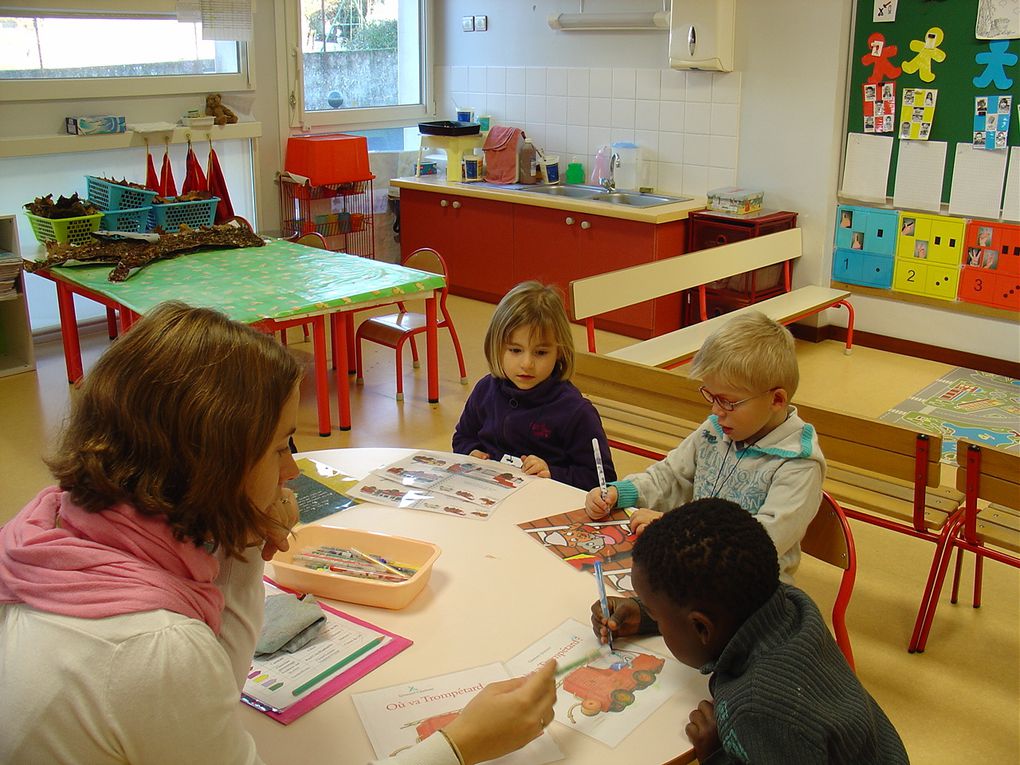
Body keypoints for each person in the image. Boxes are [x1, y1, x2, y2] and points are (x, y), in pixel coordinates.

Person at [0, 302, 556, 765]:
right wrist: (459, 746)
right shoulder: (155, 650)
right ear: (211, 467)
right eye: (278, 448)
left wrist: (240, 541)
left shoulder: (54, 522)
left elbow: (220, 676)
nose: (292, 471)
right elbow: (196, 669)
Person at [591, 498, 909, 764]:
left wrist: (717, 753)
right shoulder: (790, 603)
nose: (654, 619)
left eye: (657, 617)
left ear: (701, 627)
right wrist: (648, 617)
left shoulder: (758, 711)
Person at [583, 311, 824, 583]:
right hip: (695, 568)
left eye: (728, 402)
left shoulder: (798, 463)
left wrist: (675, 530)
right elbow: (671, 476)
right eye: (711, 396)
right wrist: (622, 492)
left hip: (753, 592)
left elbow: (761, 542)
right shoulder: (715, 431)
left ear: (777, 400)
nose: (716, 411)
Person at [453, 281, 616, 490]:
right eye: (515, 350)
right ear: (496, 346)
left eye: (540, 353)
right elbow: (463, 437)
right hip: (488, 496)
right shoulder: (486, 390)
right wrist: (471, 452)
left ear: (559, 352)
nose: (527, 364)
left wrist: (553, 473)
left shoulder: (575, 412)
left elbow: (603, 481)